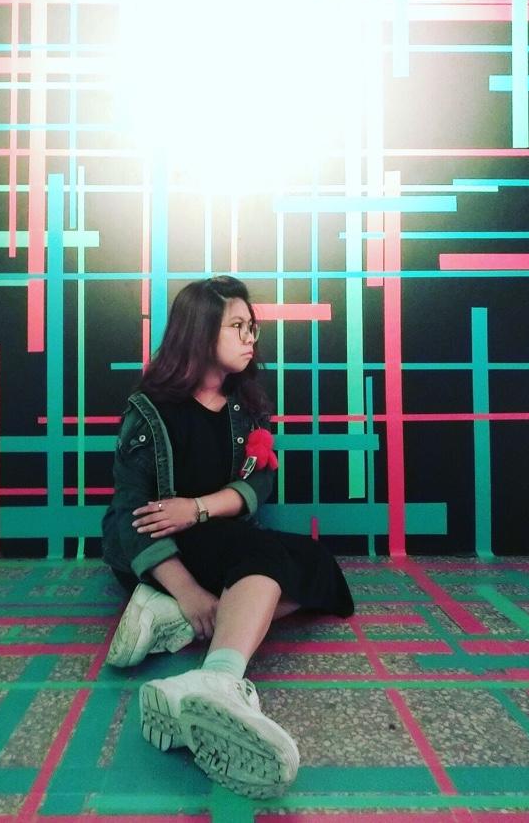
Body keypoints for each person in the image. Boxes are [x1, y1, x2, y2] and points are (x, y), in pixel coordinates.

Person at [100, 275, 355, 799]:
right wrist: (188, 591)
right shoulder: (148, 411)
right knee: (262, 554)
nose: (250, 338)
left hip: (215, 534)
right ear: (199, 331)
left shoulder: (245, 404)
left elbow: (260, 482)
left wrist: (196, 508)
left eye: (251, 327)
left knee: (317, 564)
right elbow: (130, 517)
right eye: (237, 326)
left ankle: (174, 623)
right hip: (160, 553)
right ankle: (219, 676)